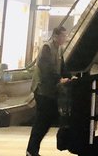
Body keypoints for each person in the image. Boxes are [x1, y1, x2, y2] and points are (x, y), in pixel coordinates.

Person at [26, 26, 70, 156]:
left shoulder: (59, 49)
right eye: (63, 36)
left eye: (65, 36)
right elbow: (46, 68)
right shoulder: (47, 48)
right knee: (41, 121)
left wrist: (69, 76)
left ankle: (32, 150)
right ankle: (31, 150)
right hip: (42, 90)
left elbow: (62, 66)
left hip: (50, 90)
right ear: (55, 36)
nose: (65, 38)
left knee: (46, 120)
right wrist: (59, 79)